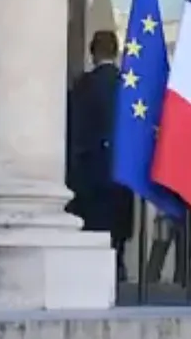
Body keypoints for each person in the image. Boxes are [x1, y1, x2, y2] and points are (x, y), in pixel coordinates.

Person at [66, 30, 134, 280]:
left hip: (88, 173)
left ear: (92, 53)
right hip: (121, 171)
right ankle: (118, 269)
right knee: (117, 237)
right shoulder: (127, 85)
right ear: (115, 52)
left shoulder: (83, 86)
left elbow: (72, 129)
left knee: (92, 234)